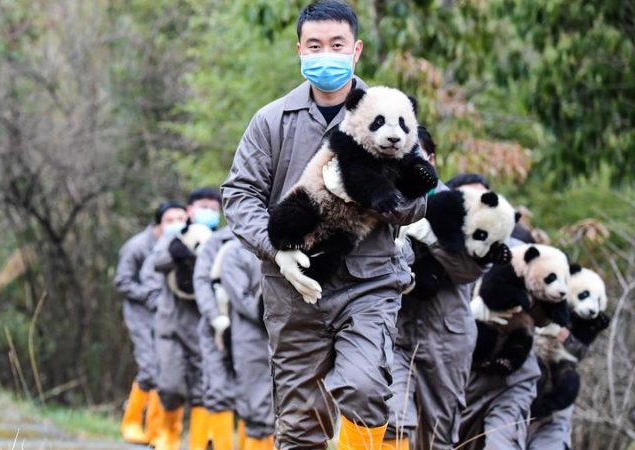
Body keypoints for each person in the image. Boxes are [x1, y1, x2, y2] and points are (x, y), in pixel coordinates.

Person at [221, 2, 426, 448]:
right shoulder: (271, 121)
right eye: (314, 46)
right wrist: (277, 250)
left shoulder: (393, 113)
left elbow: (418, 203)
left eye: (336, 44)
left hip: (369, 282)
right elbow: (239, 196)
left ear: (356, 50)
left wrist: (375, 193)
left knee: (366, 387)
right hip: (293, 289)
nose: (326, 54)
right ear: (299, 49)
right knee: (300, 423)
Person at [384, 128, 488, 449]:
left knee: (438, 436)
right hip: (395, 333)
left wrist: (432, 239)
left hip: (447, 337)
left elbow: (471, 270)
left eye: (413, 153)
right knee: (391, 421)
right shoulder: (382, 199)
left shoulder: (462, 207)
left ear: (430, 159)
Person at [451, 176, 541, 450]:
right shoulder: (433, 246)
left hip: (509, 380)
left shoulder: (518, 251)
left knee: (501, 443)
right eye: (466, 200)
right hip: (455, 381)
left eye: (485, 200)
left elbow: (552, 309)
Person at [151, 188, 223, 450]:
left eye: (214, 208)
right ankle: (167, 437)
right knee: (170, 386)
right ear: (190, 209)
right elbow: (157, 262)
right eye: (203, 206)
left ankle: (201, 442)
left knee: (204, 389)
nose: (209, 212)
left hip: (204, 327)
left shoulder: (219, 239)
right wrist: (178, 252)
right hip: (171, 325)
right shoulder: (175, 236)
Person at [114, 201, 187, 444]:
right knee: (149, 368)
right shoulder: (137, 246)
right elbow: (122, 281)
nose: (176, 224)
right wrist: (149, 296)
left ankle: (155, 431)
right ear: (158, 224)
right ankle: (132, 423)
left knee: (166, 371)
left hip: (167, 314)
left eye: (181, 219)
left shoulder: (183, 242)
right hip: (140, 313)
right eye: (170, 220)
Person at [220, 240, 274, 450]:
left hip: (281, 335)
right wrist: (267, 313)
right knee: (255, 404)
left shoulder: (283, 246)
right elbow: (240, 296)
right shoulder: (235, 252)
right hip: (250, 335)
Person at [193, 222, 239, 450]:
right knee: (218, 390)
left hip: (255, 329)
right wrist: (215, 317)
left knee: (258, 397)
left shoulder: (268, 236)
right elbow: (201, 281)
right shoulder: (217, 241)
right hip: (218, 328)